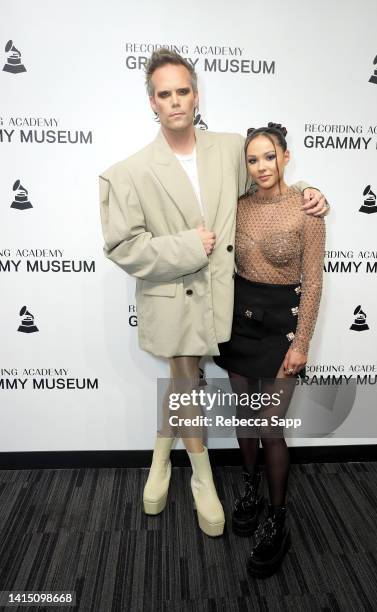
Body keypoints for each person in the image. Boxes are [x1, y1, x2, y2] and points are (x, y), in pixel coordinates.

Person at [98, 48, 328, 538]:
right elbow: (122, 246)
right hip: (173, 293)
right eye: (165, 94)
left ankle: (161, 452)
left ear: (196, 96)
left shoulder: (227, 147)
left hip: (229, 301)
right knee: (185, 380)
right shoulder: (130, 171)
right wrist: (187, 247)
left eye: (183, 91)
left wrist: (309, 190)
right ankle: (199, 476)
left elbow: (270, 180)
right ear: (152, 102)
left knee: (186, 385)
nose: (175, 101)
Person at [213, 123, 325, 576]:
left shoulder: (307, 209)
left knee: (271, 426)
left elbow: (314, 282)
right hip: (238, 323)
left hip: (283, 327)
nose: (261, 166)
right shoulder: (236, 208)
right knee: (245, 419)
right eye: (253, 159)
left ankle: (277, 518)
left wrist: (302, 343)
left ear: (286, 156)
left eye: (269, 156)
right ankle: (251, 488)